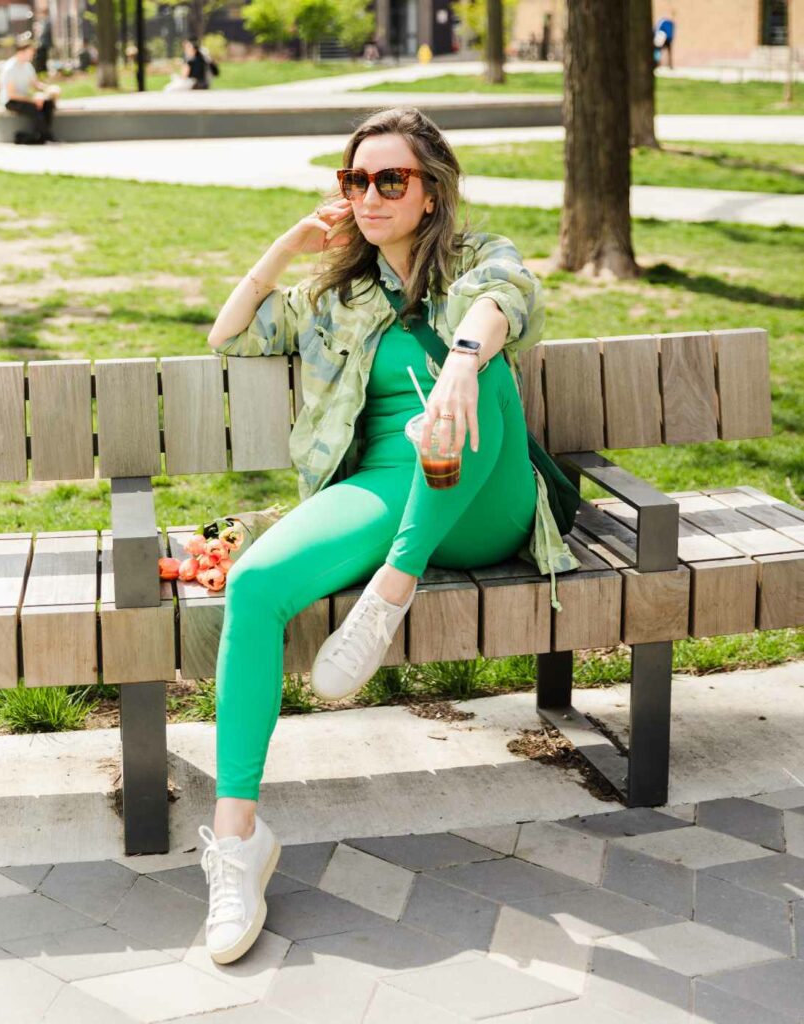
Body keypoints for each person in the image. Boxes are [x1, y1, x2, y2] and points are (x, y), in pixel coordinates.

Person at [199, 105, 576, 966]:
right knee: (255, 587)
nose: (368, 195)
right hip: (379, 489)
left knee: (480, 386)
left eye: (389, 179)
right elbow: (229, 336)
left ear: (430, 192)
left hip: (484, 501)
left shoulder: (479, 261)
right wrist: (286, 250)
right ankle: (236, 841)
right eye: (354, 179)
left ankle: (390, 593)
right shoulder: (336, 295)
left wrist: (458, 366)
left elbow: (506, 300)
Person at [0, 34, 56, 144]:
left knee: (48, 104)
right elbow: (11, 94)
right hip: (11, 101)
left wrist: (48, 89)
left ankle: (39, 137)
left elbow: (35, 83)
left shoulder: (27, 66)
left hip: (24, 98)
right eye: (30, 53)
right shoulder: (10, 69)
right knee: (34, 108)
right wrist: (33, 100)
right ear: (21, 52)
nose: (32, 56)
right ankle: (46, 136)